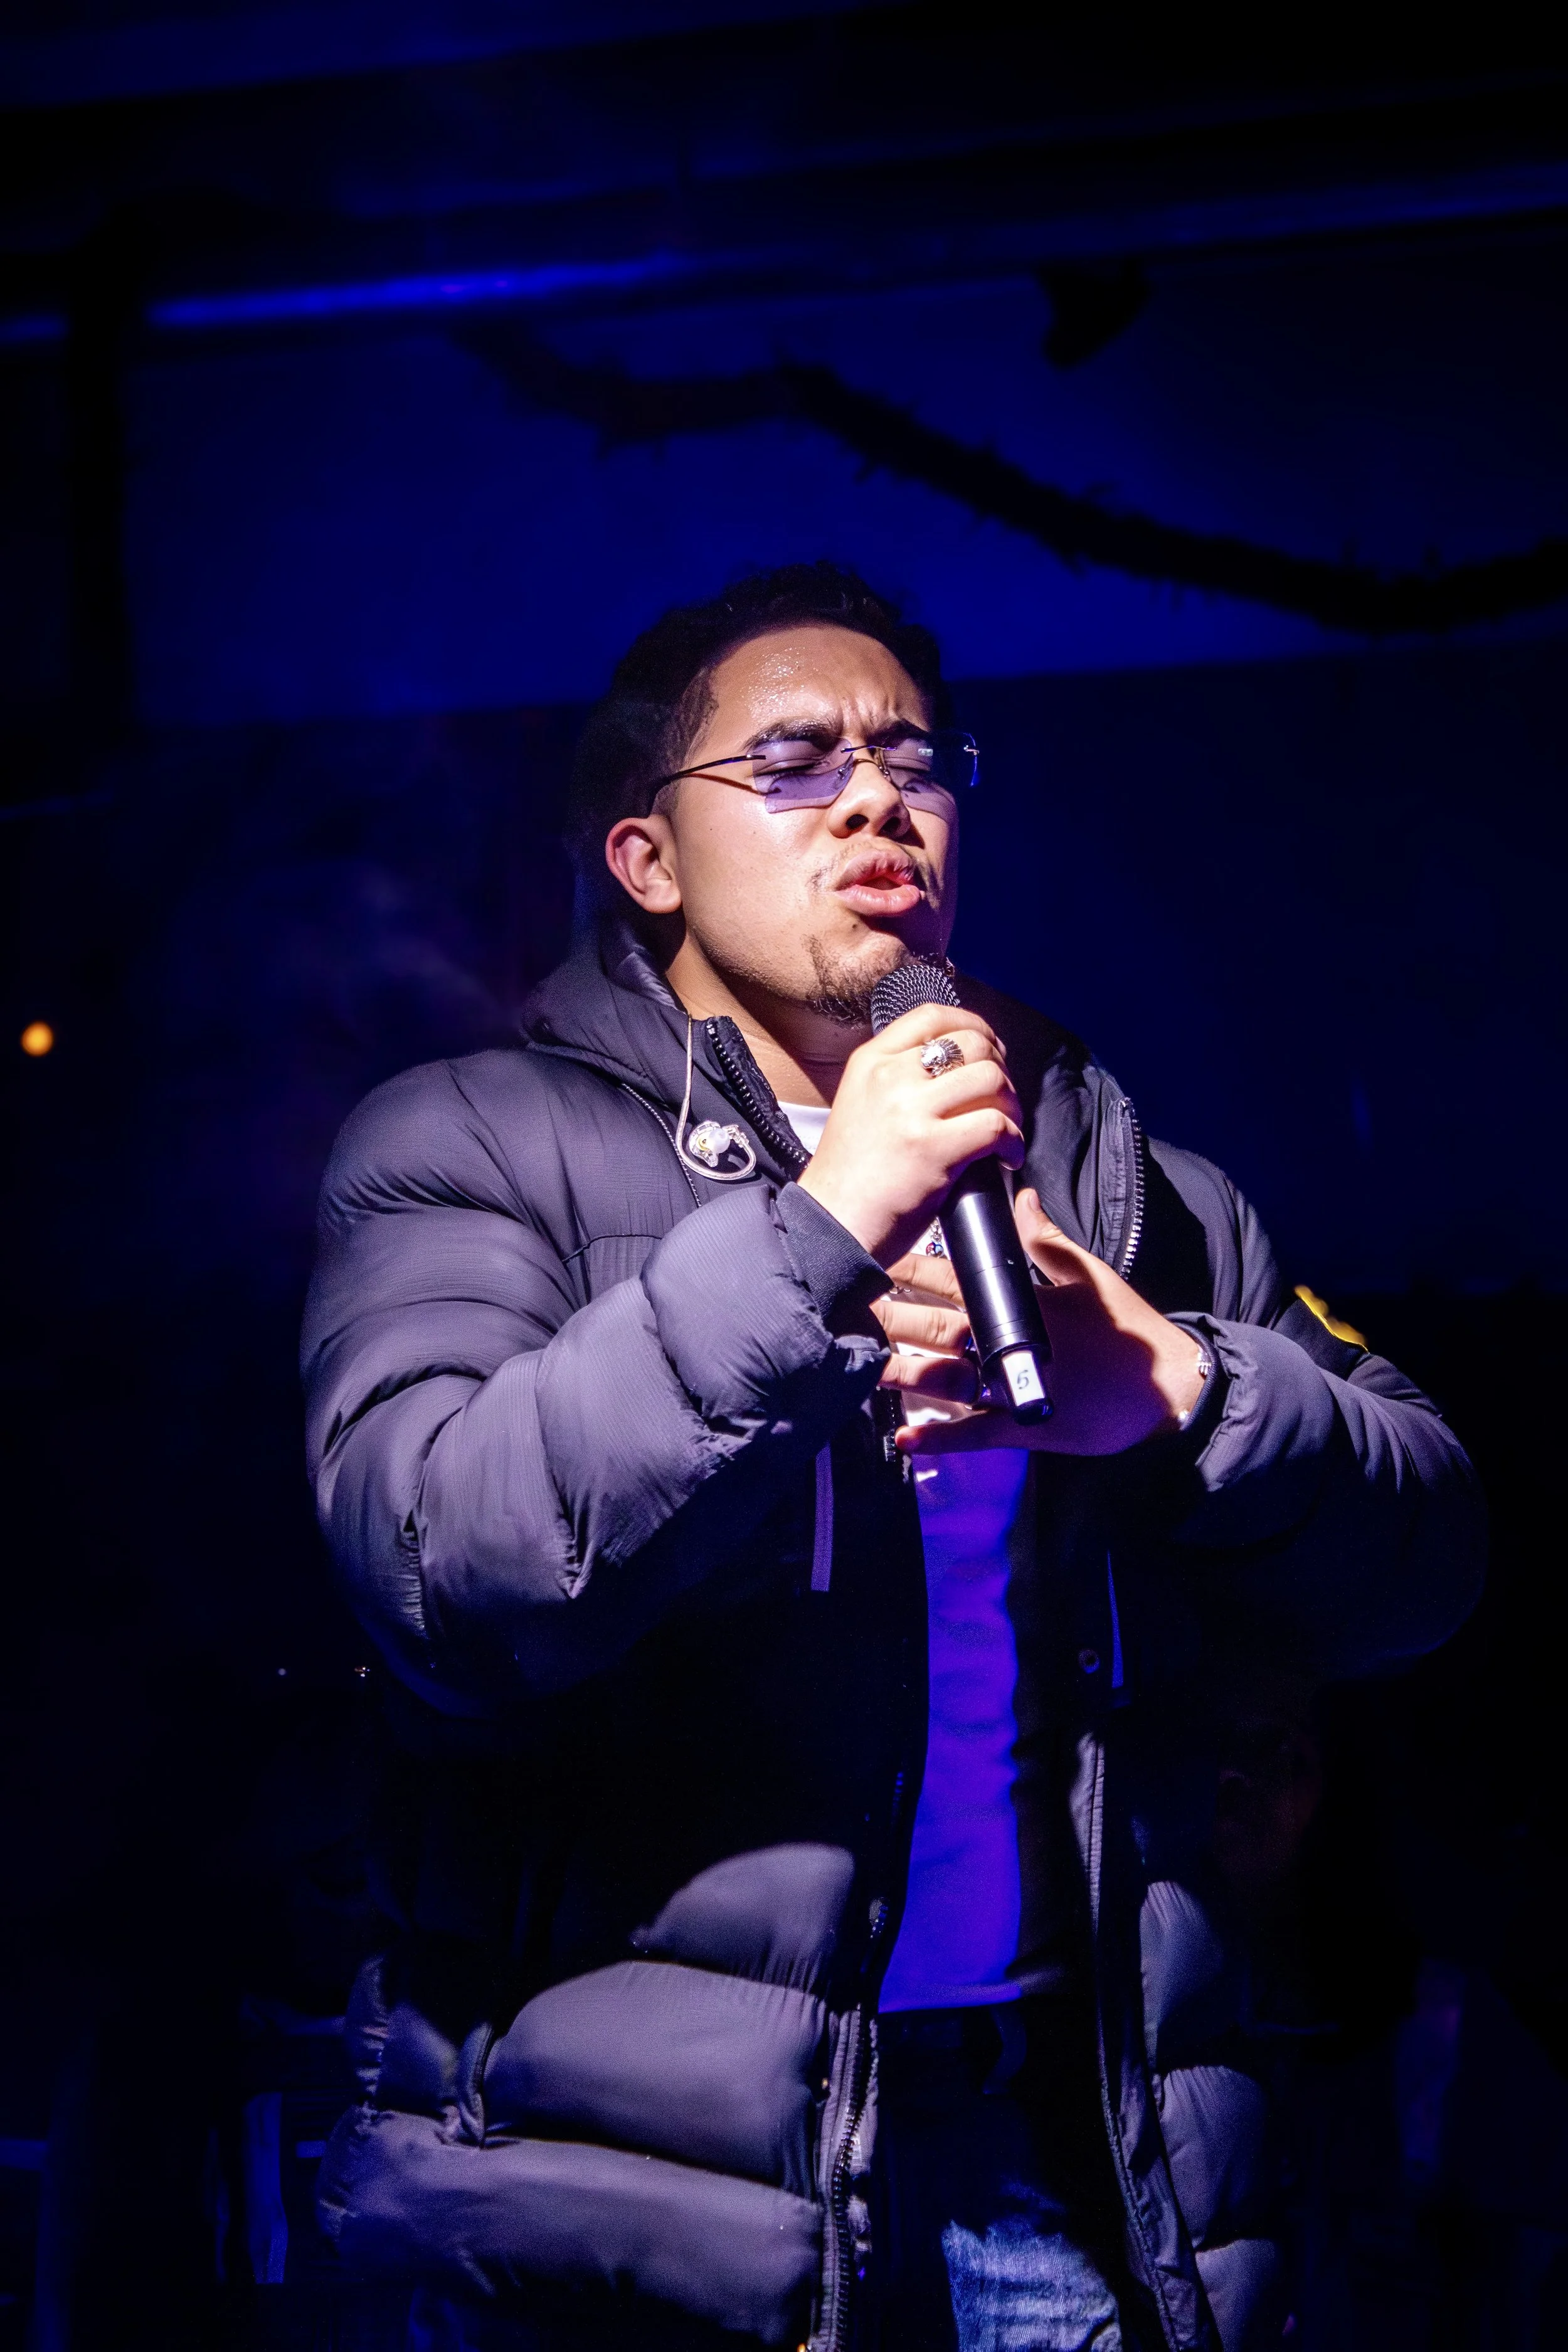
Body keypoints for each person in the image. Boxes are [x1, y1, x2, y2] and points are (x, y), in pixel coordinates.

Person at [302, 562, 1483, 2352]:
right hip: (638, 2208)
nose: (873, 796)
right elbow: (441, 1576)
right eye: (790, 761)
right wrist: (819, 1229)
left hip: (1055, 2158)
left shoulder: (1105, 1179)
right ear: (647, 855)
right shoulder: (470, 1142)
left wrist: (1165, 1381)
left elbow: (1426, 1559)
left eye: (911, 759)